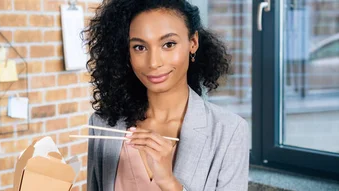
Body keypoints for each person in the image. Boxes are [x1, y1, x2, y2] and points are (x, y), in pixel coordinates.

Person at [84, 0, 250, 190]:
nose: (153, 62)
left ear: (193, 43)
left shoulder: (229, 131)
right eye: (139, 47)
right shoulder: (102, 124)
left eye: (168, 44)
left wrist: (169, 182)